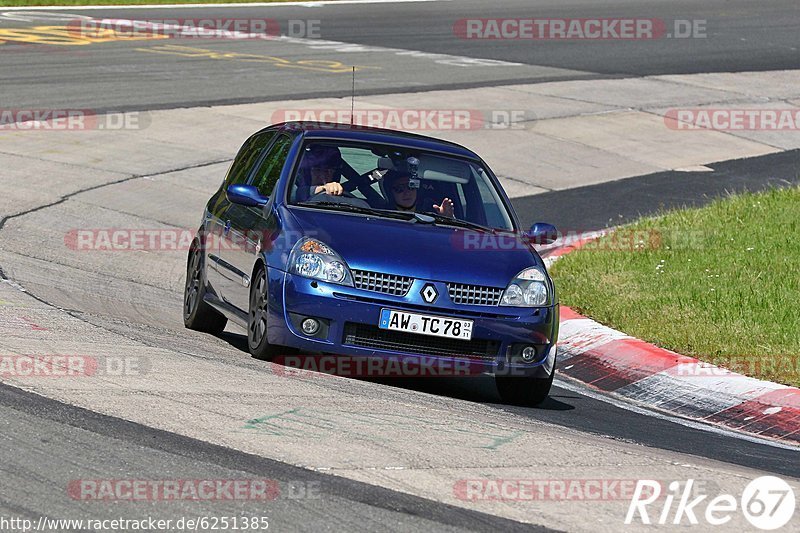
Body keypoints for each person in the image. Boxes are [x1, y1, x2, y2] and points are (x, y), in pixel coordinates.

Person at [382, 170, 455, 218]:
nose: (407, 192)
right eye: (399, 189)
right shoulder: (382, 214)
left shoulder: (433, 209)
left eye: (411, 186)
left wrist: (447, 219)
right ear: (391, 193)